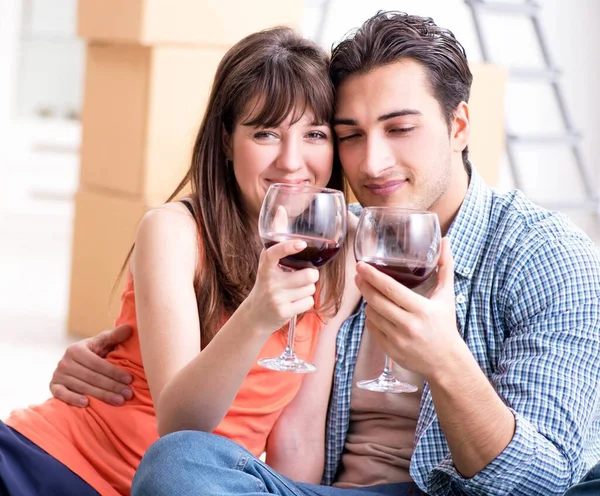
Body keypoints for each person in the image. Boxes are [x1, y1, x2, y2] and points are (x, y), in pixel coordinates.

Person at [51, 11, 600, 496]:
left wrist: (444, 360)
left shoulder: (546, 257)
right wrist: (101, 359)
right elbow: (258, 408)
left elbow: (542, 480)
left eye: (400, 128)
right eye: (350, 135)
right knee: (180, 462)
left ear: (458, 126)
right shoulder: (335, 240)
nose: (374, 162)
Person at [0, 27, 360, 496]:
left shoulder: (339, 248)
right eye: (266, 132)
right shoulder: (173, 232)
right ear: (228, 141)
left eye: (314, 133)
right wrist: (255, 316)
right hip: (53, 464)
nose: (292, 162)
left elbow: (298, 433)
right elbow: (179, 426)